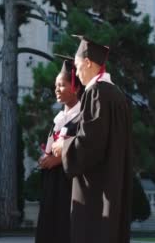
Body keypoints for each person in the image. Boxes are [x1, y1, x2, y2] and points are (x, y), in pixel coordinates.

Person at [52, 35, 133, 243]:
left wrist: (64, 145)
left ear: (88, 63)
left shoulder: (96, 93)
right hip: (112, 184)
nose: (77, 74)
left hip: (96, 193)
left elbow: (90, 144)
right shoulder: (117, 96)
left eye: (78, 67)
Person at [35, 55, 84, 243]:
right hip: (51, 187)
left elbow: (84, 149)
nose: (57, 89)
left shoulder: (83, 118)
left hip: (69, 188)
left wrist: (59, 158)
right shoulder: (59, 119)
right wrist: (44, 158)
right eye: (56, 85)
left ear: (76, 87)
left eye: (62, 85)